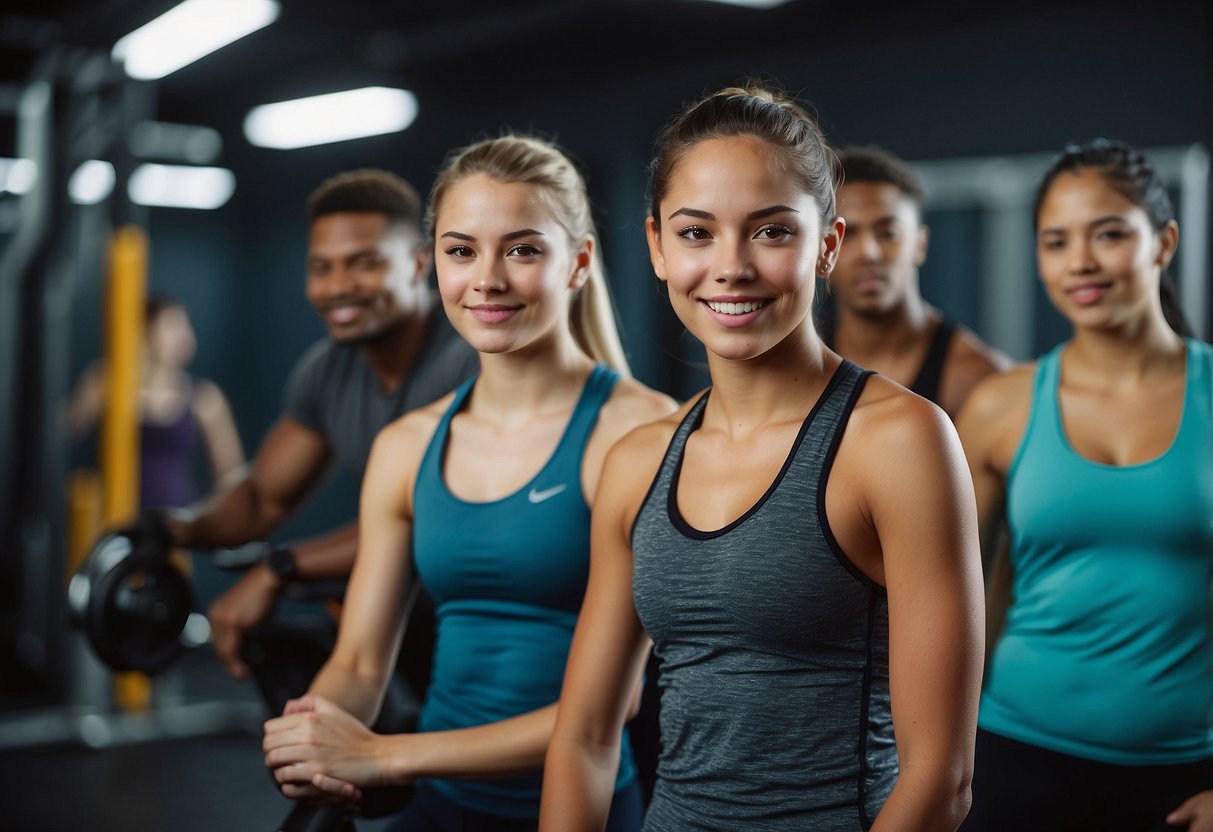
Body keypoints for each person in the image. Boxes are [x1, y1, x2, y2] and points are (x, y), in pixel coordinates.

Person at [539, 86, 984, 831]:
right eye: (695, 233)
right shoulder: (637, 460)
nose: (731, 266)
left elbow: (941, 779)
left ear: (827, 246)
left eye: (771, 232)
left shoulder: (899, 441)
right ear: (655, 247)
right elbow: (584, 735)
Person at [261, 134, 677, 831]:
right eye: (460, 251)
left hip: (587, 807)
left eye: (521, 250)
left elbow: (616, 702)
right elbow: (360, 663)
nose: (485, 279)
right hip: (436, 807)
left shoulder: (635, 432)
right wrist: (316, 734)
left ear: (576, 263)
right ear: (436, 267)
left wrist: (389, 755)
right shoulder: (408, 445)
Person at [956, 139, 1213, 832]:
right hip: (1012, 755)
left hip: (1185, 777)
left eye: (1107, 234)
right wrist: (940, 760)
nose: (1080, 263)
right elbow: (952, 601)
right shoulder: (997, 407)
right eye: (1055, 241)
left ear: (1162, 242)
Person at [162, 169, 479, 686]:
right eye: (321, 268)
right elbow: (263, 500)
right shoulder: (328, 369)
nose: (338, 288)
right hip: (405, 629)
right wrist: (173, 528)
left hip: (501, 626)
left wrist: (281, 568)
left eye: (364, 263)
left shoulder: (470, 356)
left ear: (421, 263)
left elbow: (433, 518)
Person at [824, 145, 1010, 418]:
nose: (869, 253)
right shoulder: (794, 366)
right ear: (825, 247)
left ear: (920, 244)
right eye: (848, 234)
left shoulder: (977, 378)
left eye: (888, 233)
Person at [67, 295, 245, 509]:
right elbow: (63, 435)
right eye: (172, 326)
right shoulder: (106, 384)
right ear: (144, 332)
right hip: (114, 521)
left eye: (186, 326)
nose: (184, 336)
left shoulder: (205, 398)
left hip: (176, 524)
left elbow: (231, 477)